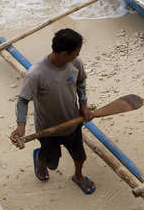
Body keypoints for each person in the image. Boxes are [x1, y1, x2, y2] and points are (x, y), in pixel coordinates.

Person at [10, 28, 96, 195]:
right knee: (51, 163)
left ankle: (78, 176)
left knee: (80, 157)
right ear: (63, 53)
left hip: (73, 123)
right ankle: (39, 159)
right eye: (76, 52)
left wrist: (84, 105)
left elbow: (81, 83)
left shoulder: (75, 63)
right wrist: (21, 126)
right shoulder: (36, 74)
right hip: (47, 130)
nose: (78, 56)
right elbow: (22, 100)